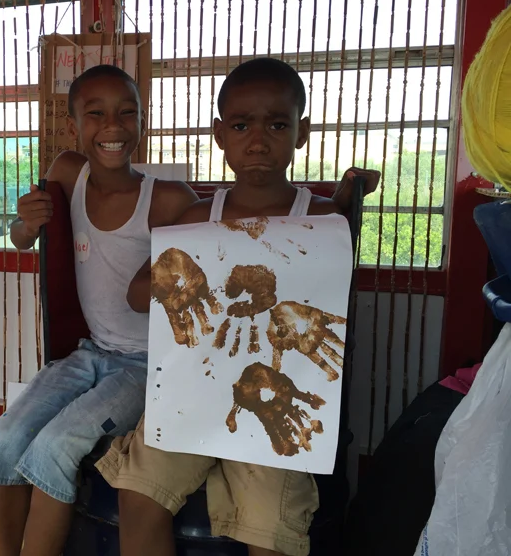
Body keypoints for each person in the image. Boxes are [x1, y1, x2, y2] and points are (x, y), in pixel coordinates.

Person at [96, 57, 380, 556]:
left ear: (301, 132)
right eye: (241, 125)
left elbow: (330, 316)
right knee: (138, 495)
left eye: (276, 125)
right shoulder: (197, 218)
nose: (257, 140)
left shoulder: (320, 221)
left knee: (271, 528)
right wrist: (178, 282)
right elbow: (137, 295)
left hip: (276, 401)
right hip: (192, 398)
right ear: (219, 134)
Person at [0, 64, 198, 556]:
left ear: (143, 121)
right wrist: (23, 222)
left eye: (126, 113)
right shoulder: (66, 172)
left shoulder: (167, 199)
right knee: (7, 436)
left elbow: (227, 246)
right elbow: (20, 240)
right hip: (89, 353)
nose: (112, 127)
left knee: (56, 447)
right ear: (74, 125)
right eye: (95, 114)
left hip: (147, 366)